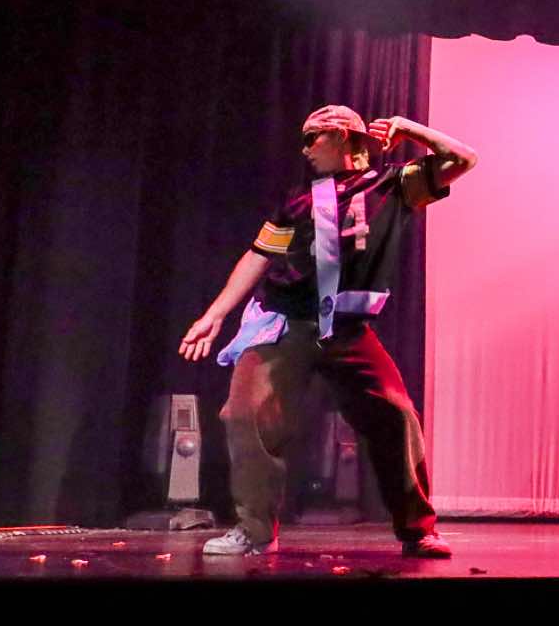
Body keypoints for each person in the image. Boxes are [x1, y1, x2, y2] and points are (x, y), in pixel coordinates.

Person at [179, 105, 478, 558]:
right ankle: (255, 530)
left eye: (311, 138)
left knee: (396, 415)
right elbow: (259, 255)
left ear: (341, 136)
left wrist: (409, 129)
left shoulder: (394, 185)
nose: (304, 149)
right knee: (244, 414)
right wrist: (215, 314)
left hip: (347, 330)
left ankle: (418, 530)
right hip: (284, 322)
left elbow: (464, 158)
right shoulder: (298, 200)